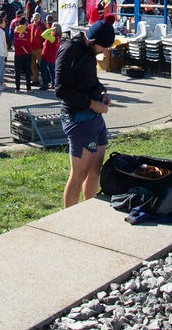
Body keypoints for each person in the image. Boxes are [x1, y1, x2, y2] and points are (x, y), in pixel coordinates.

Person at [56, 16, 116, 208]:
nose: (105, 51)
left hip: (94, 119)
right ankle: (70, 218)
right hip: (78, 119)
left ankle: (88, 211)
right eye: (103, 47)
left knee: (95, 170)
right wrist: (91, 104)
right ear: (92, 40)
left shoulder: (89, 50)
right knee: (79, 174)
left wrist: (101, 92)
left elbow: (90, 80)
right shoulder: (69, 50)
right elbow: (61, 90)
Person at [12, 13, 33, 93]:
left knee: (17, 71)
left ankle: (17, 88)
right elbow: (31, 40)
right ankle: (28, 88)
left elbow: (14, 41)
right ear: (25, 22)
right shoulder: (29, 30)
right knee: (28, 71)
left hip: (18, 53)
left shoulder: (16, 30)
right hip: (27, 52)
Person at [39, 22, 62, 90]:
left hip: (47, 55)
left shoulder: (52, 37)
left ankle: (45, 84)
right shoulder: (57, 37)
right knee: (52, 70)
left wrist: (50, 29)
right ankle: (53, 84)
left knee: (43, 69)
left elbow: (43, 34)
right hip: (52, 56)